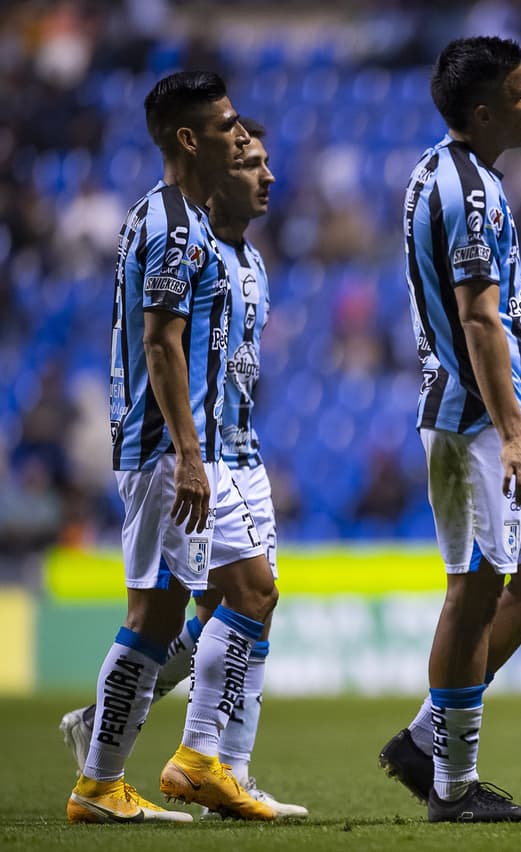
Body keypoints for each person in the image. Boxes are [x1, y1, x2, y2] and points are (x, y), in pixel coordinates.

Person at [59, 119, 307, 819]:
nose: (266, 176)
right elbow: (162, 349)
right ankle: (188, 760)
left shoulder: (250, 261)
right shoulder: (183, 237)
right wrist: (194, 456)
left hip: (234, 451)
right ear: (216, 167)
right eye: (250, 162)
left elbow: (228, 368)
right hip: (186, 455)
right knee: (233, 600)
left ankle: (217, 763)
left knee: (224, 606)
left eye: (263, 162)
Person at [376, 35, 521, 823]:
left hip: (487, 419)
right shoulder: (472, 194)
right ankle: (453, 788)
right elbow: (480, 321)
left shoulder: (443, 173)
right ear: (485, 110)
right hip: (473, 426)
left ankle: (427, 738)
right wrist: (515, 432)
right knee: (475, 588)